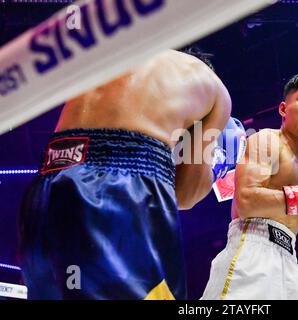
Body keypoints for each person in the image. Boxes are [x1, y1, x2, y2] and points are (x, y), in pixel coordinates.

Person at [18, 49, 245, 300]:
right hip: (121, 187)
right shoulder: (214, 89)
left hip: (49, 180)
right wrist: (217, 166)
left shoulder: (120, 52)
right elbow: (186, 194)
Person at [201, 71, 298, 300]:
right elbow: (246, 202)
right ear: (283, 109)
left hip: (290, 258)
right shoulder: (266, 141)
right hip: (252, 248)